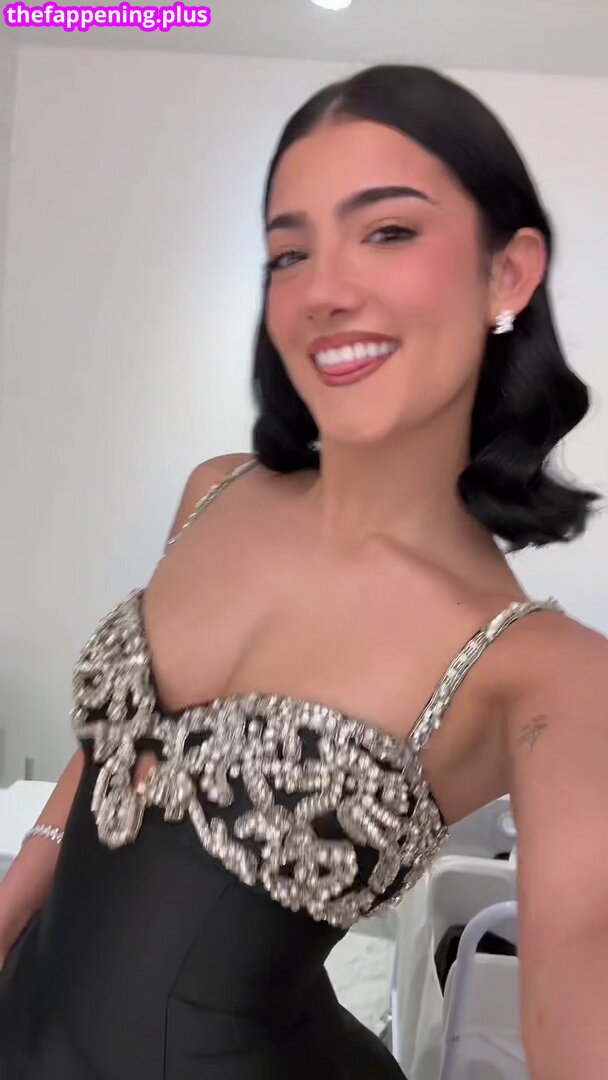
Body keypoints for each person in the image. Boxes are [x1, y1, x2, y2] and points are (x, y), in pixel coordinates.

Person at [0, 63, 606, 1080]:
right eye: (289, 252)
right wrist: (16, 896)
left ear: (506, 274)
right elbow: (113, 753)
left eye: (388, 231)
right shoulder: (215, 490)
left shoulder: (549, 676)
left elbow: (576, 1012)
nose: (324, 289)